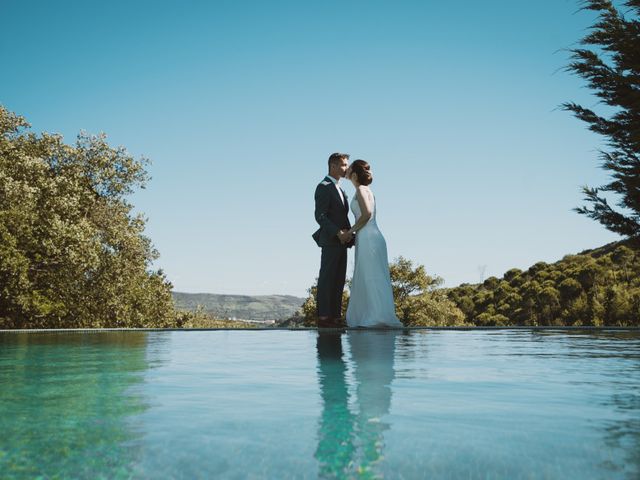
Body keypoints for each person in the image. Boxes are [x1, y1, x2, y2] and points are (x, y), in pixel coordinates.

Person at [345, 160, 402, 328]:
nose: (346, 170)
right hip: (369, 236)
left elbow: (367, 214)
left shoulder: (362, 189)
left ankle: (377, 317)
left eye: (349, 168)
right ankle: (375, 315)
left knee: (371, 276)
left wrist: (350, 231)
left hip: (368, 236)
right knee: (370, 275)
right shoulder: (365, 190)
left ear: (354, 174)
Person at [312, 153, 355, 328]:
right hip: (331, 240)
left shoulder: (341, 189)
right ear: (333, 166)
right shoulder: (323, 187)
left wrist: (349, 235)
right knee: (327, 278)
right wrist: (338, 233)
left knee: (339, 279)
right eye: (344, 165)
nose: (346, 168)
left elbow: (341, 216)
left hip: (342, 241)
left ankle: (335, 316)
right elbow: (320, 216)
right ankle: (324, 317)